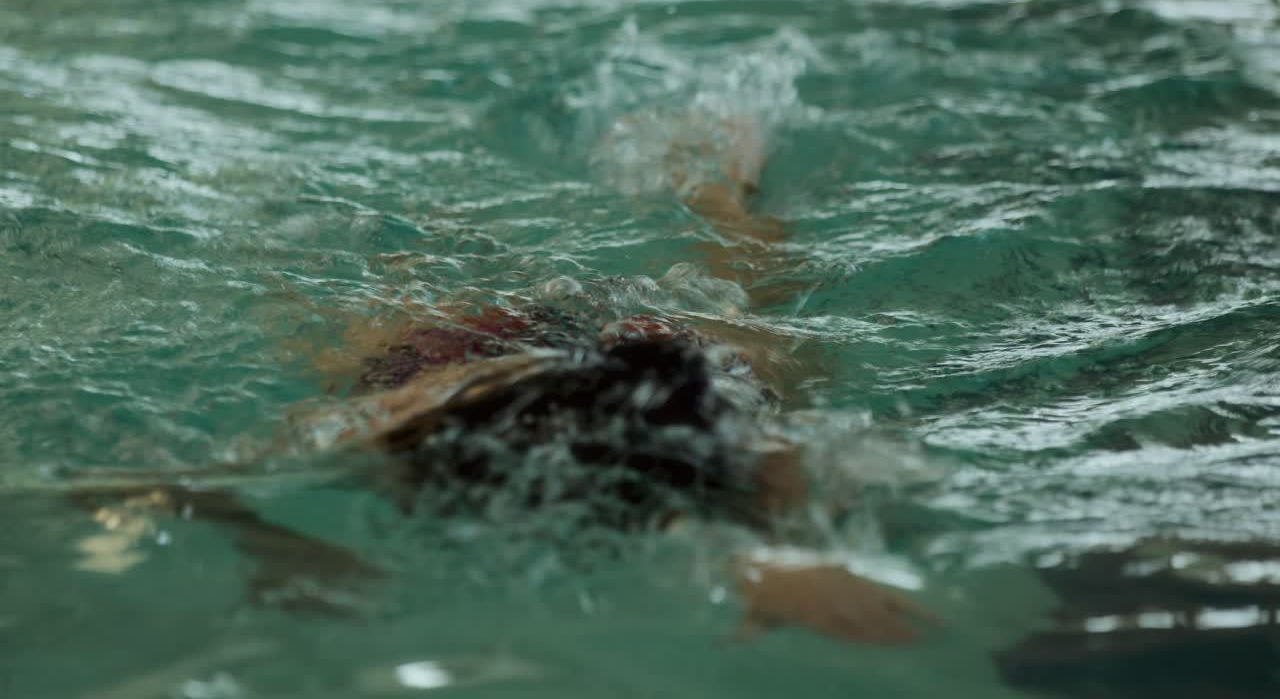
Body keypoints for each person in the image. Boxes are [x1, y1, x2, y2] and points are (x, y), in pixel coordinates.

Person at [65, 110, 937, 644]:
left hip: (554, 377)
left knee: (756, 339)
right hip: (507, 373)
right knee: (755, 332)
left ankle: (724, 190)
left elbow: (138, 479)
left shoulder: (701, 392)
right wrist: (286, 547)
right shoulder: (408, 403)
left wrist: (778, 558)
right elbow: (143, 480)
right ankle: (722, 191)